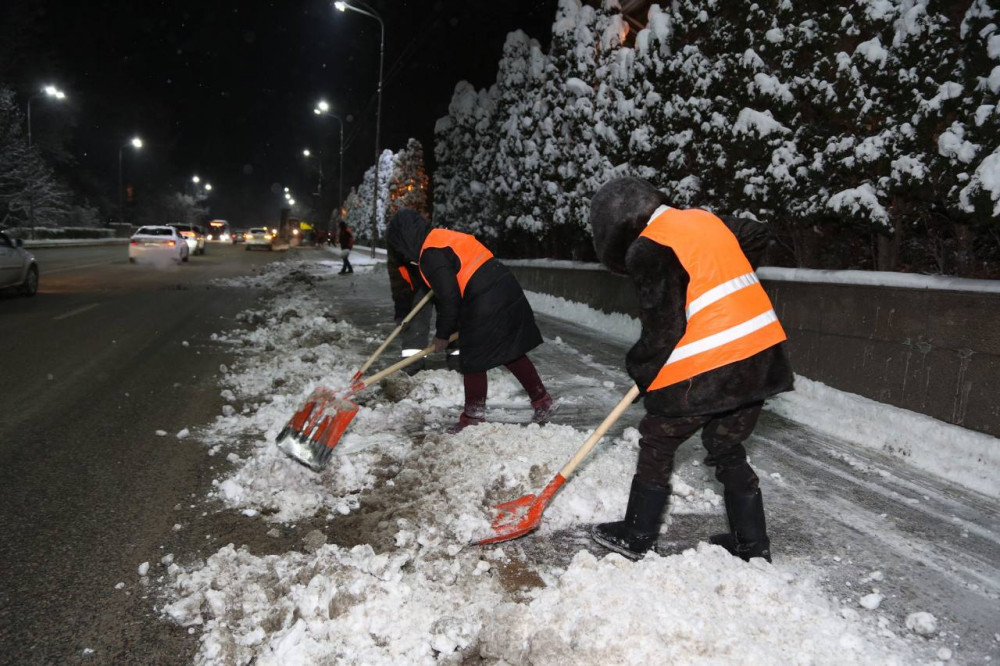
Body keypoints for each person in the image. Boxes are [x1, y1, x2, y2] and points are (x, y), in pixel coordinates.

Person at [587, 177, 793, 562]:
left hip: (717, 360)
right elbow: (756, 233)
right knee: (725, 442)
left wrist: (643, 372)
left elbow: (663, 332)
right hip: (762, 352)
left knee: (657, 438)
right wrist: (714, 279)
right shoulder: (704, 221)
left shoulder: (649, 248)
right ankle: (751, 543)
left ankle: (637, 535)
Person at [386, 209, 554, 432]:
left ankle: (473, 417)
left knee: (473, 358)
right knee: (510, 351)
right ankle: (542, 400)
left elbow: (449, 299)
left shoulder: (430, 254)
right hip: (502, 285)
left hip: (484, 296)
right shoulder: (439, 237)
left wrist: (442, 336)